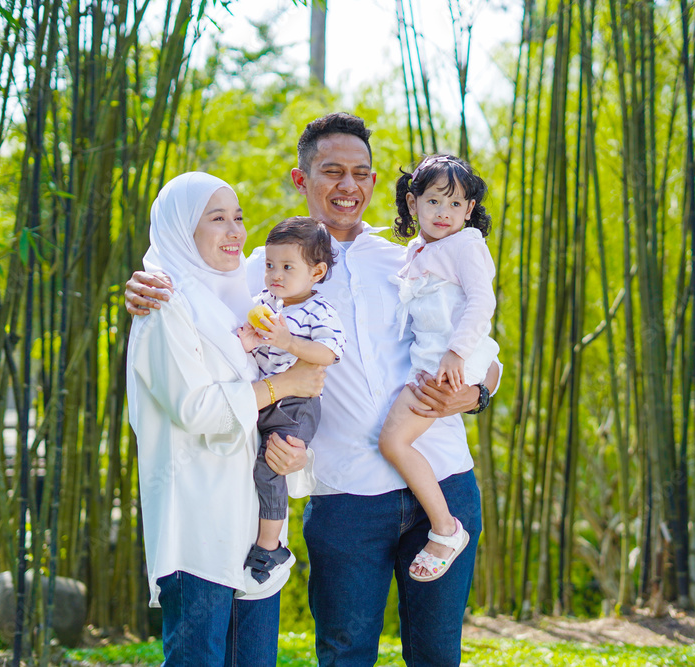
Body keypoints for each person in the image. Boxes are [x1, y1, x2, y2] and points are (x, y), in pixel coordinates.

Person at [126, 113, 500, 667]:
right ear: (302, 180)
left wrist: (477, 394)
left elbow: (481, 341)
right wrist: (144, 282)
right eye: (332, 172)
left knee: (438, 653)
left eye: (362, 173)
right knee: (345, 654)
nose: (349, 186)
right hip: (343, 495)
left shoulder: (413, 256)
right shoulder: (258, 269)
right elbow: (195, 296)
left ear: (376, 183)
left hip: (441, 477)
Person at [126, 172, 324, 666]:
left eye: (238, 217)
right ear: (180, 230)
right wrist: (286, 384)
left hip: (257, 530)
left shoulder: (250, 297)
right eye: (217, 219)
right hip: (198, 523)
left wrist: (295, 451)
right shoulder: (163, 305)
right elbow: (198, 410)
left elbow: (276, 411)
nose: (235, 230)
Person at [377, 154, 499, 583]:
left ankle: (446, 529)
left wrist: (456, 353)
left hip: (444, 365)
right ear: (413, 204)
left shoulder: (466, 245)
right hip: (433, 363)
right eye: (433, 202)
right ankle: (443, 525)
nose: (443, 213)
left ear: (469, 210)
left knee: (393, 442)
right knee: (397, 443)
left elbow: (483, 302)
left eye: (454, 204)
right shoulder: (418, 250)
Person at [237, 216, 346, 590]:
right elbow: (251, 336)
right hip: (267, 394)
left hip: (297, 405)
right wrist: (249, 340)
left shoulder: (320, 311)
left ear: (316, 272)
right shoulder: (266, 300)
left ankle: (271, 544)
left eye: (287, 267)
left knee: (271, 465)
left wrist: (287, 342)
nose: (275, 275)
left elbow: (328, 353)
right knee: (248, 459)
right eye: (269, 265)